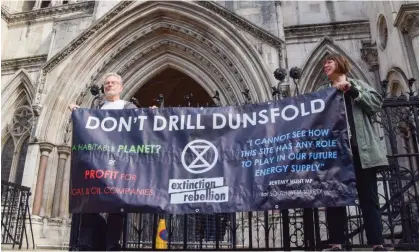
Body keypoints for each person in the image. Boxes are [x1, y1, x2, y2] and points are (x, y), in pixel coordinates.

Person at [318, 54, 389, 251]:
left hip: (361, 152)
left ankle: (377, 243)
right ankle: (337, 244)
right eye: (324, 63)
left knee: (369, 199)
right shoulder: (323, 93)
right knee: (335, 199)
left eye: (329, 62)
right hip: (336, 156)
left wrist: (352, 90)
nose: (325, 66)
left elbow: (375, 104)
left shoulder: (357, 84)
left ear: (340, 64)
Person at [69, 73, 137, 251]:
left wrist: (153, 114)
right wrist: (78, 113)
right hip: (97, 162)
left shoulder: (128, 107)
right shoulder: (96, 108)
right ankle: (86, 244)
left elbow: (141, 127)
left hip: (119, 163)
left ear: (121, 87)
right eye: (107, 83)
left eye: (113, 83)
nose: (109, 85)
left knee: (117, 207)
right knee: (89, 201)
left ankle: (112, 245)